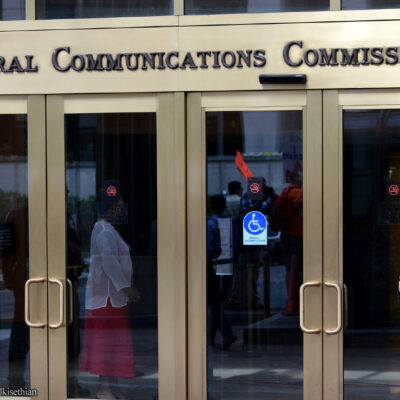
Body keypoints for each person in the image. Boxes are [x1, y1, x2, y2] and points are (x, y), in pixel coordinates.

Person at [80, 195, 140, 400]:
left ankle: (112, 386)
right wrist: (127, 288)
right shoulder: (104, 231)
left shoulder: (107, 229)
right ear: (111, 208)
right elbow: (110, 264)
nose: (123, 210)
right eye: (120, 206)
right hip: (106, 298)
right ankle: (104, 388)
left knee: (113, 344)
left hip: (112, 298)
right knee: (105, 344)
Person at [207, 194, 237, 351]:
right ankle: (210, 337)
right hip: (228, 264)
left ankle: (226, 333)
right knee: (217, 302)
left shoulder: (210, 225)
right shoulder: (230, 224)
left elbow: (210, 248)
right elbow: (235, 243)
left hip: (214, 266)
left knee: (214, 302)